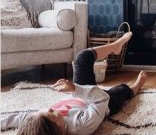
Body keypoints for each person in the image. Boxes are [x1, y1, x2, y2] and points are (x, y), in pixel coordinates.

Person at [1, 32, 147, 135]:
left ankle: (116, 46)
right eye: (52, 112)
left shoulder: (38, 122)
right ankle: (136, 87)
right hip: (101, 103)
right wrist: (76, 89)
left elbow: (16, 118)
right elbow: (102, 98)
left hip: (80, 94)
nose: (49, 108)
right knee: (120, 91)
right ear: (61, 130)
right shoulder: (81, 126)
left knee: (82, 57)